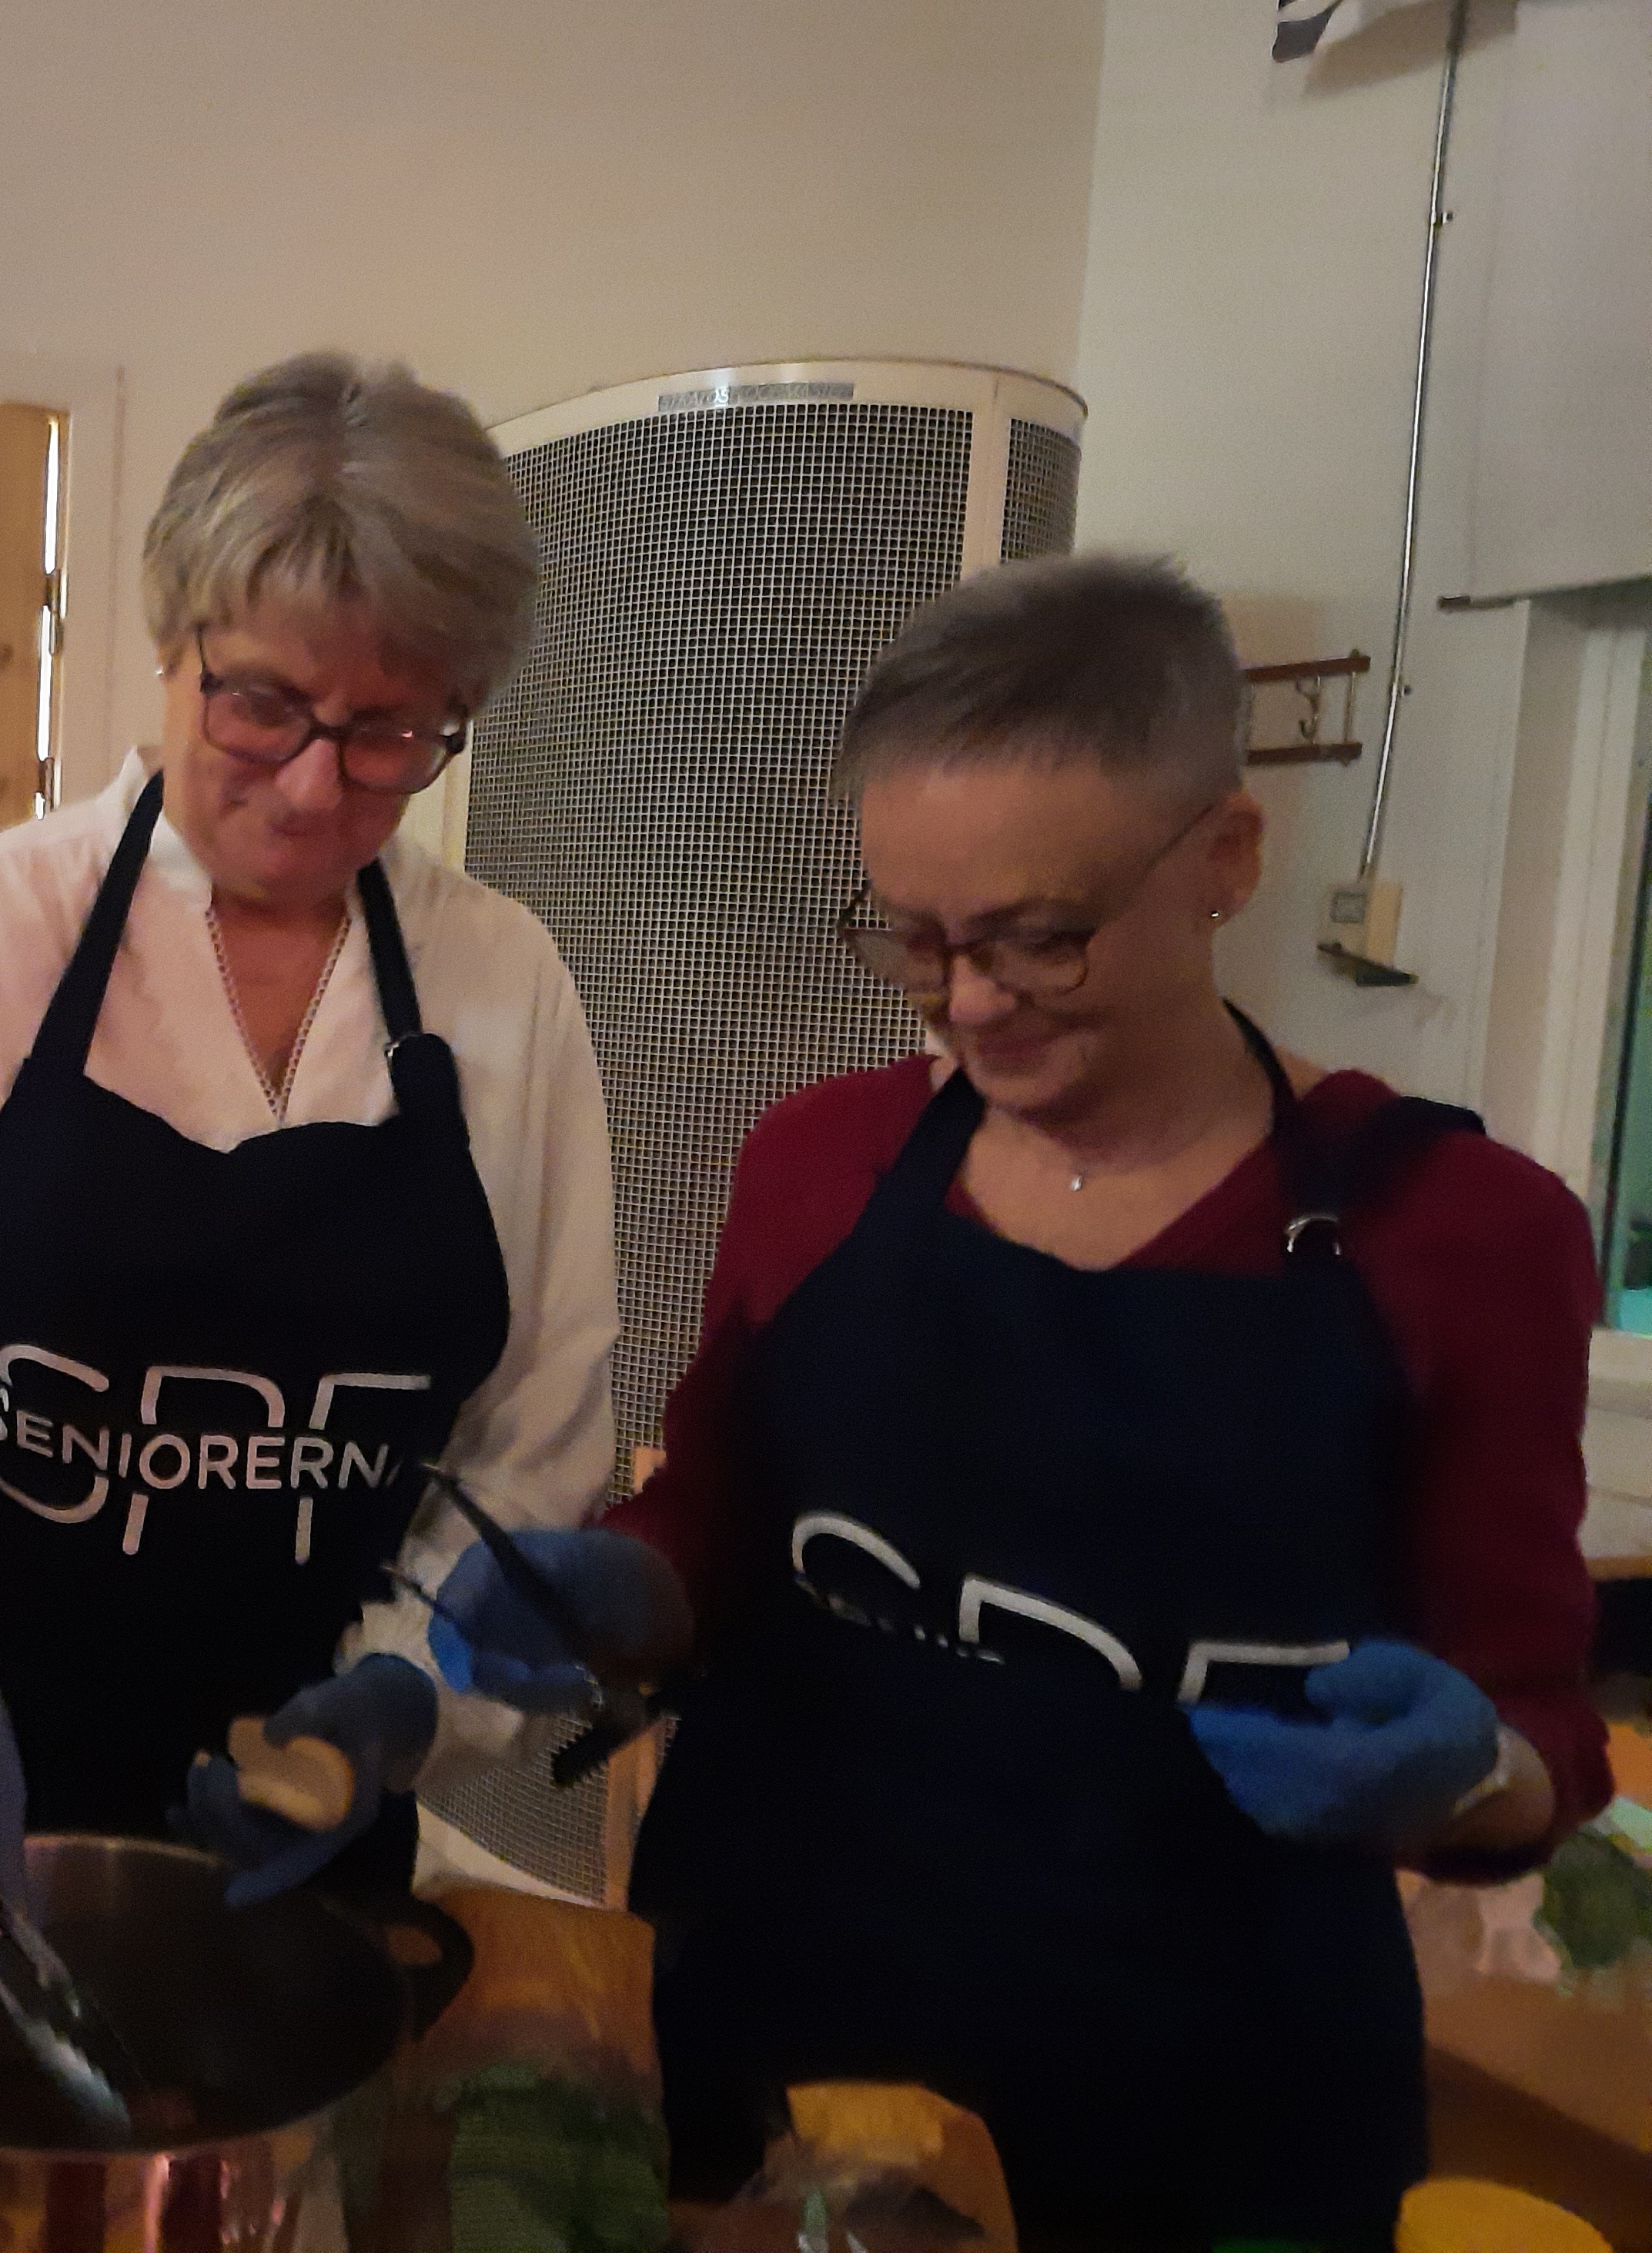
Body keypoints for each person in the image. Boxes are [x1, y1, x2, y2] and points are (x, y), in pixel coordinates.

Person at [426, 554, 1612, 2250]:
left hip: (1211, 2096)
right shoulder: (822, 1161)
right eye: (913, 938)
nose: (971, 1001)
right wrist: (622, 1585)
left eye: (1039, 938)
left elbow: (1539, 1730)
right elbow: (716, 1520)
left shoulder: (1458, 1235)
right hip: (784, 2023)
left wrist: (1462, 1775)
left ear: (1224, 856)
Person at [0, 353, 620, 1956]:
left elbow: (531, 1434)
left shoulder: (500, 981)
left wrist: (405, 1693)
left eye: (389, 732)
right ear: (170, 639)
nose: (313, 787)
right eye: (260, 704)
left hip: (293, 1828)